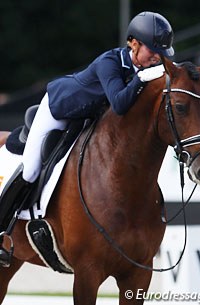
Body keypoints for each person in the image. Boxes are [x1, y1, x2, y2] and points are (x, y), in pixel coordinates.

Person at [0, 11, 174, 266]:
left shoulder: (149, 67)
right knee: (31, 169)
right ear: (133, 43)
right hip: (59, 110)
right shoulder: (110, 62)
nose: (157, 57)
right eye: (153, 50)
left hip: (89, 117)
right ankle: (2, 229)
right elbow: (119, 103)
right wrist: (141, 78)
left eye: (162, 52)